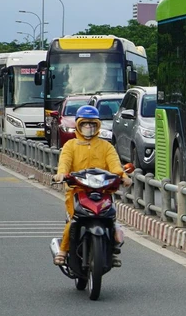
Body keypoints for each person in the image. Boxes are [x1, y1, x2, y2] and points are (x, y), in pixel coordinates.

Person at [51, 105, 131, 267]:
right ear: (78, 125)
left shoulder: (106, 146)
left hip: (103, 191)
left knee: (111, 218)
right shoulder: (70, 145)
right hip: (77, 191)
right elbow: (64, 162)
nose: (89, 128)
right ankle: (63, 251)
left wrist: (123, 175)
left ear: (98, 126)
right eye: (85, 124)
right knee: (73, 221)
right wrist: (61, 174)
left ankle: (112, 248)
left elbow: (115, 165)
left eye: (92, 124)